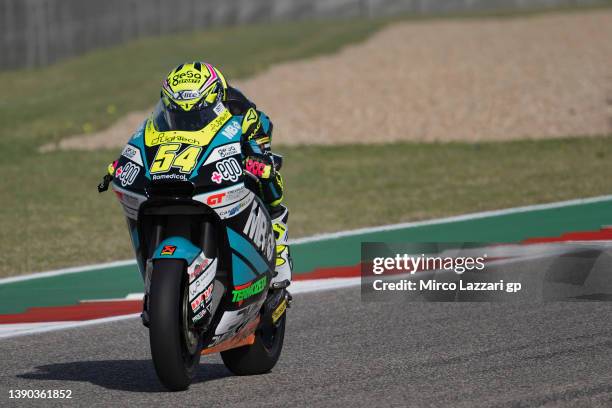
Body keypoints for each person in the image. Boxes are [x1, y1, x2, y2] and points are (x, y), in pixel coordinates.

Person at [106, 61, 291, 289]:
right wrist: (125, 162)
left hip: (237, 147)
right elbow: (145, 139)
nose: (187, 119)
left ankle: (279, 245)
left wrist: (258, 157)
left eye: (195, 112)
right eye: (177, 112)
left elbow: (258, 137)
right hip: (182, 168)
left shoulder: (240, 109)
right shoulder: (161, 118)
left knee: (268, 180)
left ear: (214, 100)